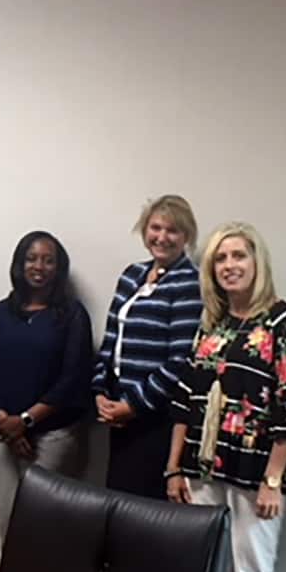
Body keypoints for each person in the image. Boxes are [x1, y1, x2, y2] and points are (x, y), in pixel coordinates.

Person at [166, 221, 286, 572]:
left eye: (238, 255)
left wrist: (273, 480)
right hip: (203, 467)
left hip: (256, 472)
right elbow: (187, 399)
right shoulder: (211, 324)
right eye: (220, 257)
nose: (229, 265)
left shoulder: (282, 320)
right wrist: (173, 468)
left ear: (257, 262)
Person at [0, 231, 92, 542]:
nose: (39, 266)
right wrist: (6, 424)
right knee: (8, 520)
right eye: (32, 258)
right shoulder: (0, 313)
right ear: (20, 264)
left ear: (59, 267)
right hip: (1, 434)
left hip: (53, 437)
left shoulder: (72, 315)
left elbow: (74, 378)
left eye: (48, 260)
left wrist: (24, 422)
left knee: (42, 526)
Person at [93, 195, 202, 498]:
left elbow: (182, 360)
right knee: (116, 503)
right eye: (156, 228)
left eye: (172, 230)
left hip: (155, 419)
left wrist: (133, 405)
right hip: (116, 415)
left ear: (186, 237)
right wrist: (101, 392)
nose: (162, 237)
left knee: (145, 511)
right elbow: (110, 341)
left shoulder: (189, 283)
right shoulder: (131, 275)